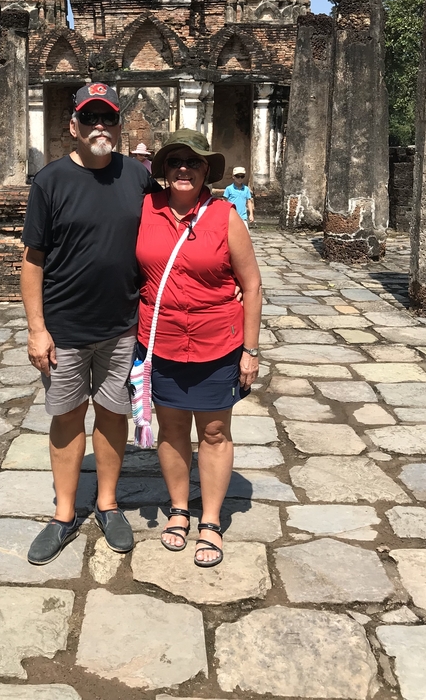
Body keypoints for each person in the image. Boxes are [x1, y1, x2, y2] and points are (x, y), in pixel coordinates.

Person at [21, 82, 155, 565]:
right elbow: (33, 261)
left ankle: (107, 502)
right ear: (73, 126)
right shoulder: (50, 182)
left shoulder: (137, 178)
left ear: (119, 125)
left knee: (114, 412)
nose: (101, 126)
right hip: (66, 326)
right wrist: (37, 328)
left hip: (122, 324)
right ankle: (63, 513)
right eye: (91, 117)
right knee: (67, 414)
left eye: (109, 118)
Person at [135, 129, 262, 567]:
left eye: (193, 162)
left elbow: (253, 285)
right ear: (163, 171)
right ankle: (178, 510)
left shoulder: (225, 216)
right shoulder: (146, 210)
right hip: (161, 340)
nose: (183, 169)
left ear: (207, 170)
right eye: (174, 162)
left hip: (216, 343)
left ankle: (210, 520)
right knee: (171, 431)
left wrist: (251, 350)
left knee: (213, 432)